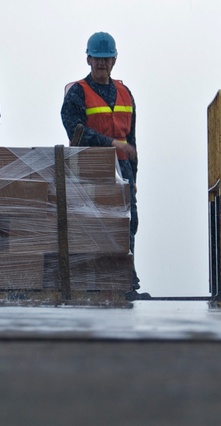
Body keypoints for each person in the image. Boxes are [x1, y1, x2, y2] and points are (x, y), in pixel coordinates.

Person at [60, 32, 146, 298]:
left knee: (127, 223)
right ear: (88, 59)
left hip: (123, 170)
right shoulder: (77, 92)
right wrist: (111, 144)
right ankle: (93, 282)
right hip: (90, 169)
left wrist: (133, 179)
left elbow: (131, 140)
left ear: (114, 60)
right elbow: (75, 130)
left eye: (107, 59)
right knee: (93, 225)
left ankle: (125, 281)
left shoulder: (124, 93)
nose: (102, 64)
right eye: (97, 59)